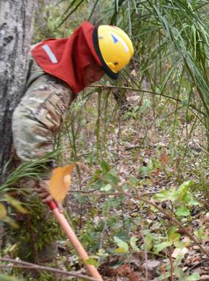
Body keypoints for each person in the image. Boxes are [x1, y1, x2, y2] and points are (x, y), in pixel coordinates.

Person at [9, 21, 134, 262]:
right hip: (22, 154)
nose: (97, 79)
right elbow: (28, 124)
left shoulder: (51, 52)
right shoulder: (56, 86)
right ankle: (40, 272)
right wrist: (45, 179)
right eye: (98, 70)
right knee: (38, 220)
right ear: (86, 57)